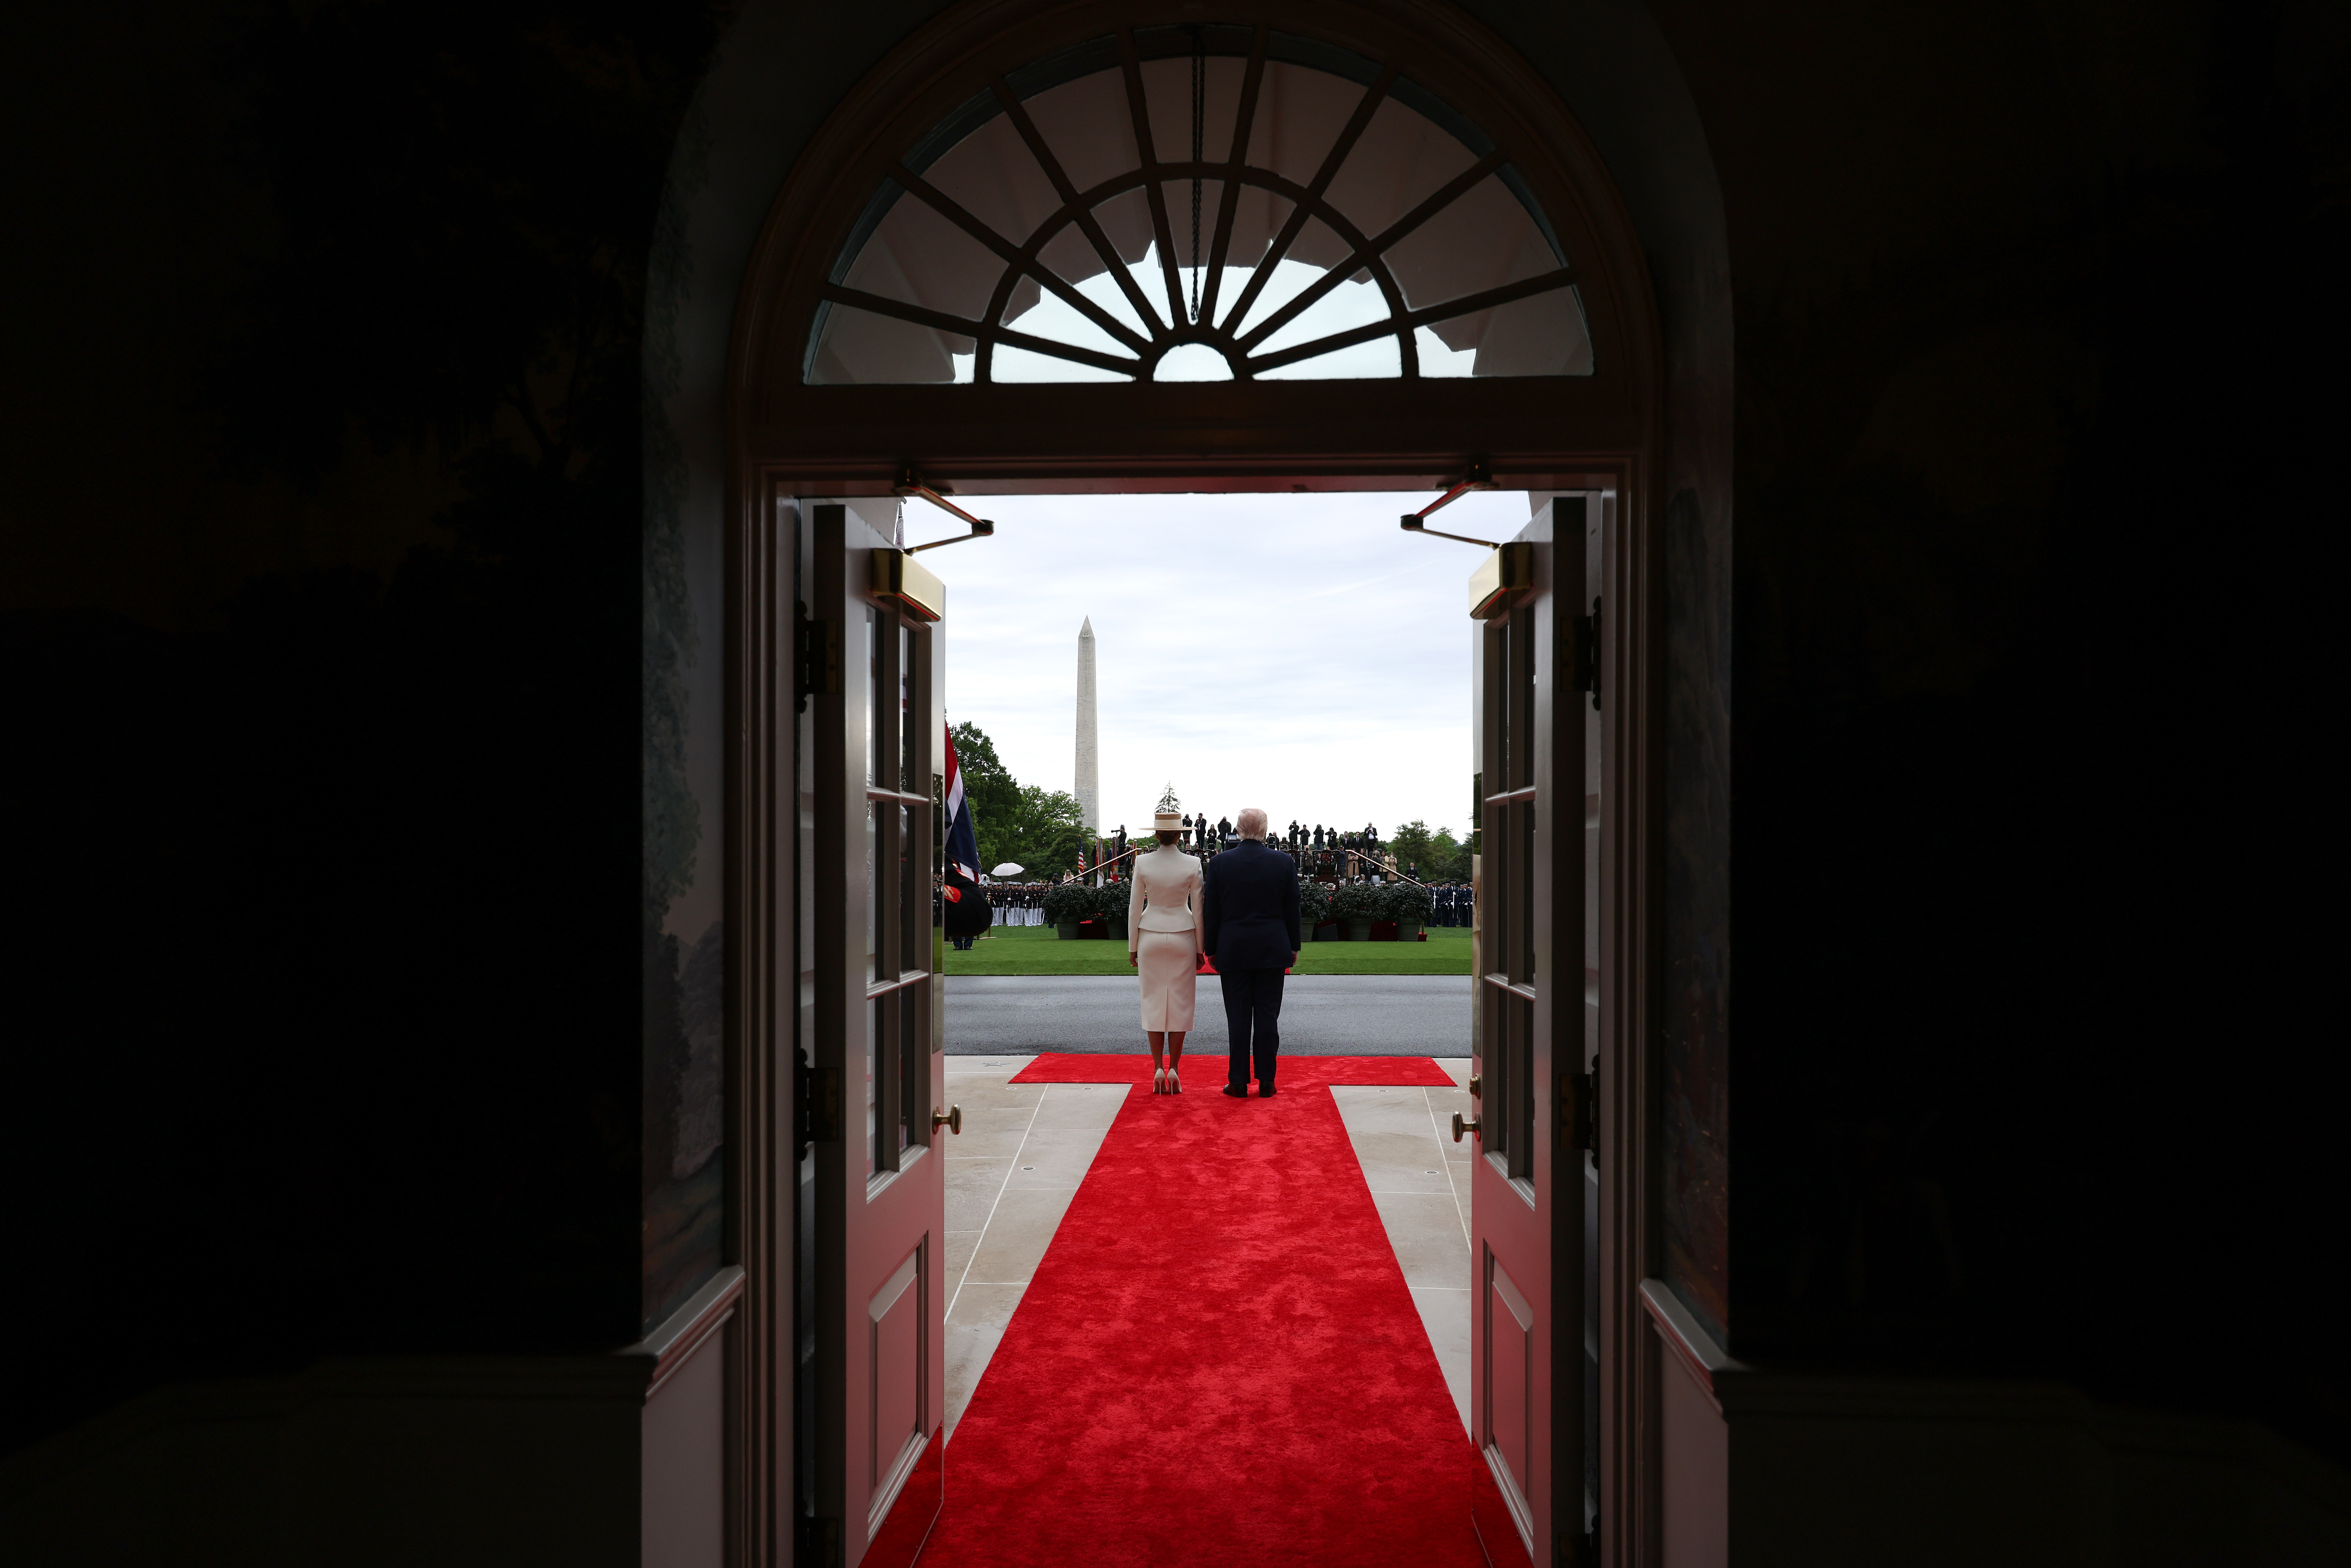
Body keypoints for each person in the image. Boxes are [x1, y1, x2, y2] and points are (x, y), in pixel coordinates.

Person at [1202, 806, 1300, 1098]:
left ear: (1238, 830)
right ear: (1265, 831)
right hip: (1273, 947)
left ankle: (1238, 1082)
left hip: (1233, 949)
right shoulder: (1284, 862)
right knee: (1268, 1016)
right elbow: (1292, 909)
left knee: (1238, 1017)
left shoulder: (1220, 863)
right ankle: (1268, 1081)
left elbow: (1212, 911)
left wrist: (1211, 949)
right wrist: (1293, 945)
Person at [1127, 792, 1204, 1095]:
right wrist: (1201, 948)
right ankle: (1174, 1069)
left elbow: (1135, 908)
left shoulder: (1142, 862)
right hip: (1183, 934)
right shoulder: (1193, 863)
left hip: (1150, 935)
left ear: (1157, 834)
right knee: (1181, 1005)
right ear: (1179, 835)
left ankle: (1158, 1066)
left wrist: (1133, 946)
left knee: (1154, 1002)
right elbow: (1198, 909)